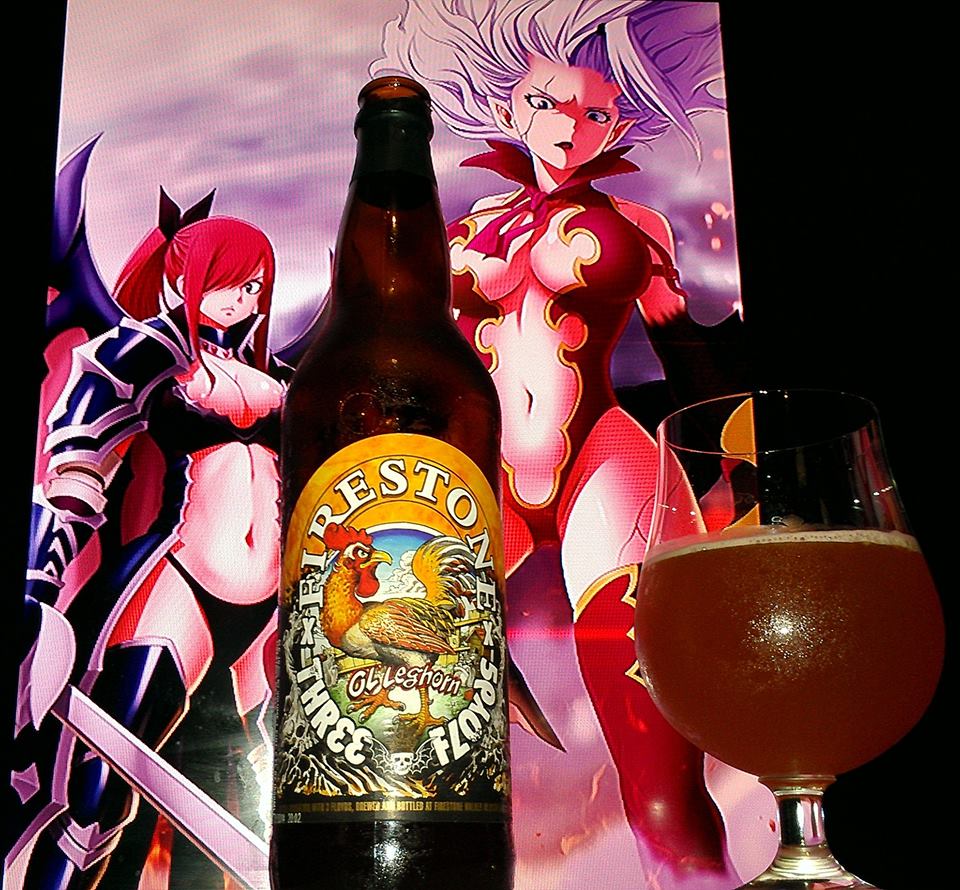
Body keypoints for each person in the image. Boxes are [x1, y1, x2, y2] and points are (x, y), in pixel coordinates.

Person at [372, 2, 753, 885]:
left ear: (617, 124)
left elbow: (686, 355)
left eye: (594, 112)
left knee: (647, 713)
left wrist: (738, 473)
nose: (569, 126)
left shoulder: (639, 225)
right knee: (397, 673)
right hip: (480, 468)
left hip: (603, 458)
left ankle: (690, 875)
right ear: (507, 106)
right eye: (546, 102)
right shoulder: (459, 232)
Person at [11, 156, 286, 888]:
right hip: (180, 586)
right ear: (188, 277)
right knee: (101, 791)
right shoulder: (150, 350)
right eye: (232, 280)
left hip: (268, 610)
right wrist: (41, 577)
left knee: (249, 785)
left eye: (256, 284)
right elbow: (80, 452)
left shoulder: (279, 380)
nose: (246, 297)